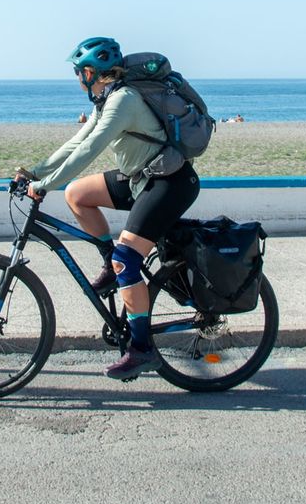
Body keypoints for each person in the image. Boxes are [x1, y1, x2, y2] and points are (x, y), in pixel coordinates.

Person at [16, 36, 200, 381]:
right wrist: (36, 171)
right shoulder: (107, 99)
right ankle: (111, 268)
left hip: (168, 185)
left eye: (77, 72)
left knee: (127, 257)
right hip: (140, 178)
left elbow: (90, 151)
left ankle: (143, 349)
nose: (76, 78)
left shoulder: (123, 101)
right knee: (77, 194)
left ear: (91, 72)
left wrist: (43, 186)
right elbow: (78, 141)